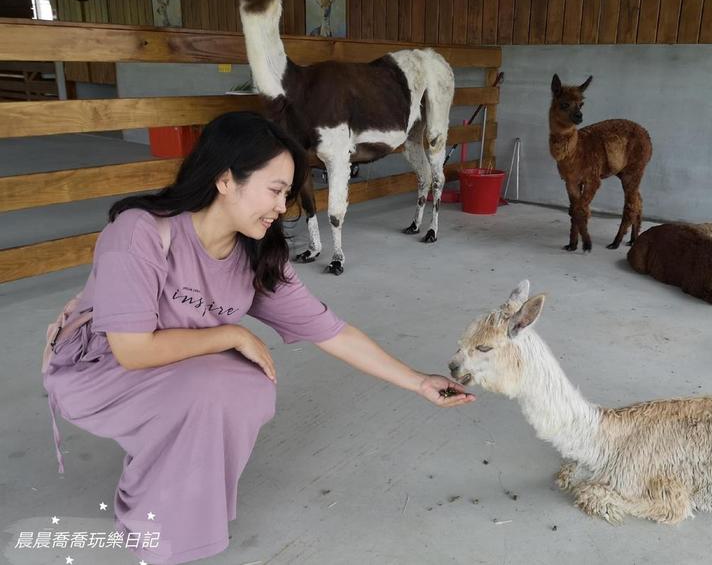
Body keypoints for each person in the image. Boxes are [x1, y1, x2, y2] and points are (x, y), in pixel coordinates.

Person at [42, 111, 474, 565]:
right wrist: (230, 333)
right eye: (274, 190)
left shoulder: (257, 253)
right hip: (97, 368)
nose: (281, 206)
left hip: (169, 372)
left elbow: (330, 329)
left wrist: (416, 381)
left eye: (287, 194)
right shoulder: (140, 231)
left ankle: (172, 489)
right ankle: (150, 524)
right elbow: (130, 350)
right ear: (226, 179)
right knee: (212, 387)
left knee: (246, 387)